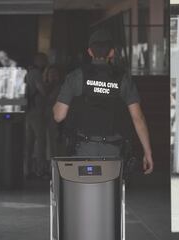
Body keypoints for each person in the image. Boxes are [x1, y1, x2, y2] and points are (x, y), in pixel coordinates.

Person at [53, 29, 154, 175]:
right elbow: (138, 118)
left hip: (83, 149)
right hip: (113, 150)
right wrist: (148, 152)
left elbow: (59, 116)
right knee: (110, 194)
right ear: (112, 53)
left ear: (90, 52)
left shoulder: (76, 77)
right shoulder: (123, 79)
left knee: (83, 193)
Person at [25, 53, 49, 177]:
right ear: (38, 61)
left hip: (29, 111)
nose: (46, 62)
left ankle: (26, 169)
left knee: (29, 141)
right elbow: (42, 91)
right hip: (36, 111)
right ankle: (40, 169)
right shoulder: (37, 73)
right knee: (40, 140)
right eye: (44, 60)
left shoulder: (28, 72)